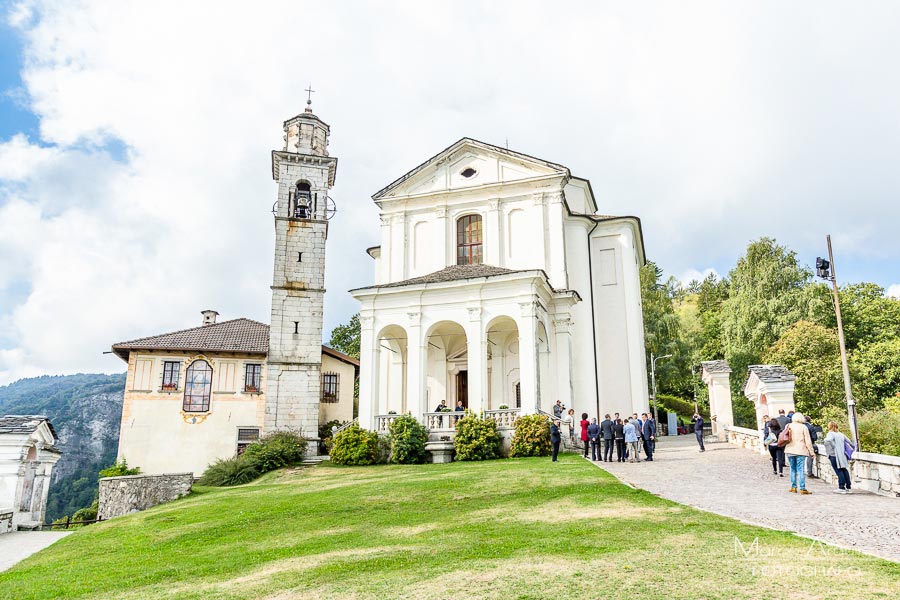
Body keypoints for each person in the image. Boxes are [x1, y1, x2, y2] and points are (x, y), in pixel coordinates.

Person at [784, 412, 816, 494]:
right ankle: (802, 488)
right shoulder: (803, 427)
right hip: (800, 450)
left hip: (790, 450)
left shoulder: (788, 426)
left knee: (792, 469)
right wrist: (812, 452)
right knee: (800, 469)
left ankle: (793, 487)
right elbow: (808, 441)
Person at [824, 422, 852, 494]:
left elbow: (829, 440)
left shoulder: (830, 434)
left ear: (829, 427)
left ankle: (841, 487)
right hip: (842, 455)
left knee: (838, 470)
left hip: (834, 455)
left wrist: (834, 446)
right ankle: (848, 487)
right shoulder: (841, 434)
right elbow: (849, 442)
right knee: (844, 470)